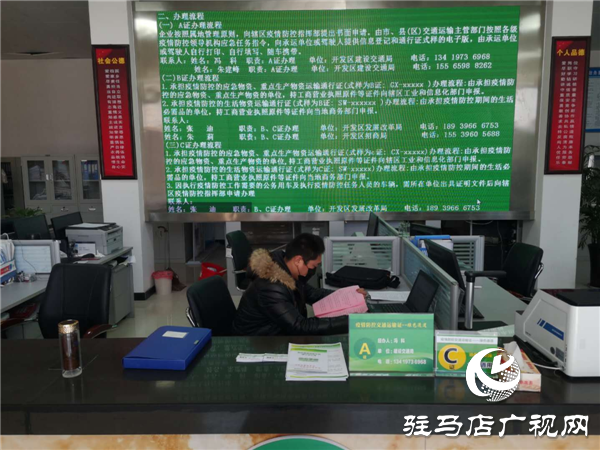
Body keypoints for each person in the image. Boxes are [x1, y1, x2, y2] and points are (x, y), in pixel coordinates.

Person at [232, 233, 366, 336]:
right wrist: (352, 321)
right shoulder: (271, 287)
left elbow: (312, 293)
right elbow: (300, 326)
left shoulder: (284, 267)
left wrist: (350, 295)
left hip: (276, 331)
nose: (313, 271)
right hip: (257, 341)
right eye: (313, 266)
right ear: (298, 260)